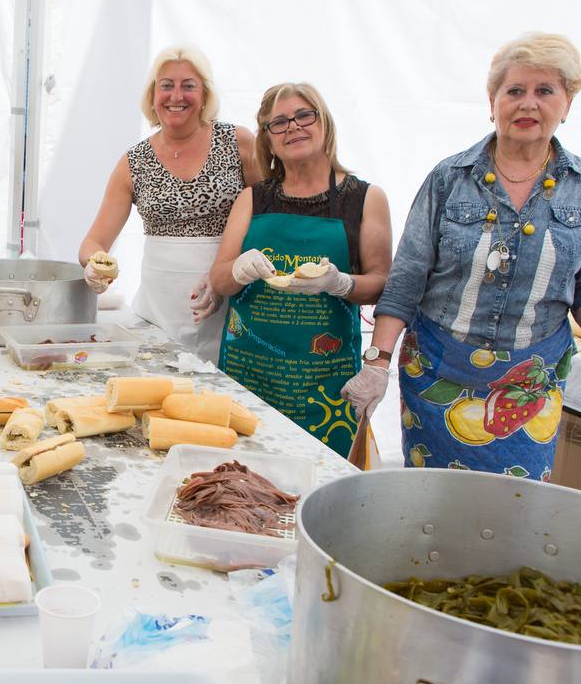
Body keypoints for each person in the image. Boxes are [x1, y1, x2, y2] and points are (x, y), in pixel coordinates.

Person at [343, 32, 581, 478]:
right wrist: (377, 363)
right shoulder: (449, 178)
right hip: (438, 370)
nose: (528, 103)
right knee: (432, 501)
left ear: (567, 104)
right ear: (492, 102)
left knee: (516, 504)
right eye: (515, 91)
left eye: (544, 91)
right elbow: (407, 280)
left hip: (532, 380)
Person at [206, 83, 392, 458]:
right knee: (242, 483)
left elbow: (381, 284)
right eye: (279, 122)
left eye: (304, 115)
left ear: (324, 124)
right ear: (269, 140)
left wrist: (339, 282)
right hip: (249, 373)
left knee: (319, 488)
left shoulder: (365, 198)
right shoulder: (252, 199)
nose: (293, 127)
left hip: (324, 380)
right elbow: (219, 280)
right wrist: (240, 270)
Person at [78, 44, 263, 359]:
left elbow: (271, 217)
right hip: (158, 311)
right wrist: (95, 268)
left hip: (234, 304)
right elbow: (94, 241)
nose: (176, 96)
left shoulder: (240, 142)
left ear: (205, 95)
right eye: (166, 86)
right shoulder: (134, 161)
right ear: (152, 96)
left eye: (188, 86)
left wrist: (229, 274)